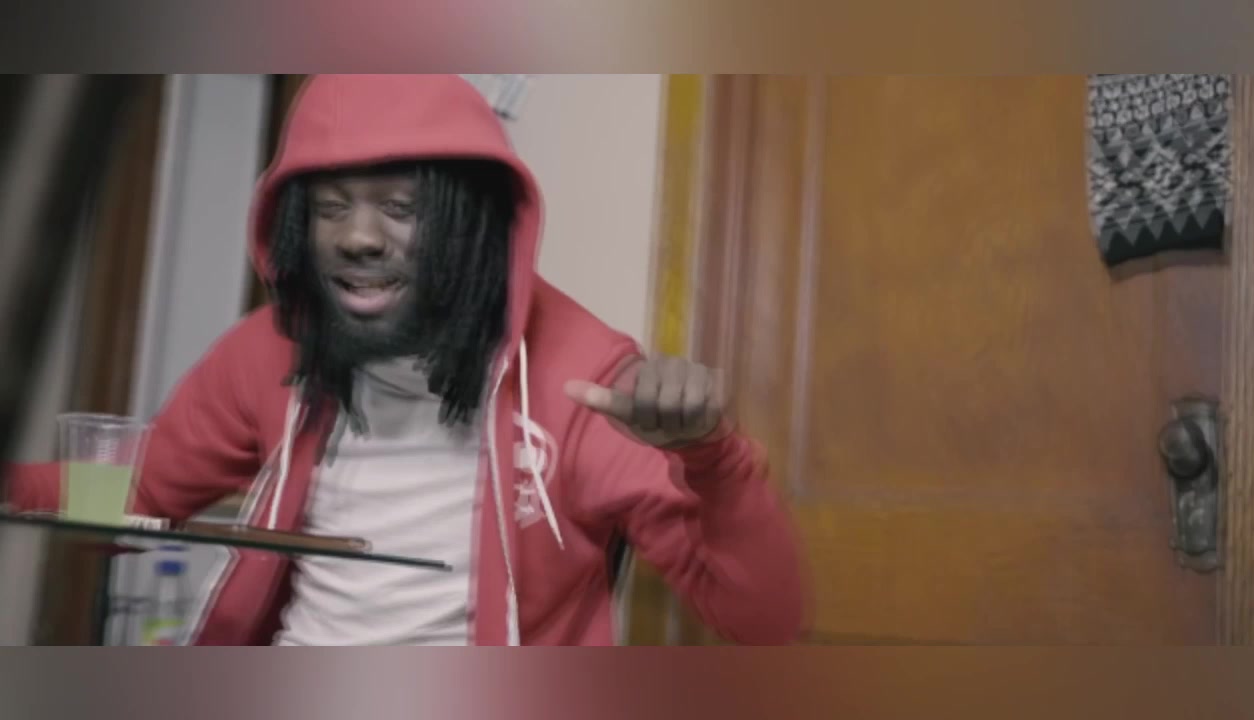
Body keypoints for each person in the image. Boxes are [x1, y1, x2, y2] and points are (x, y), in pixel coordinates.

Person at [4, 74, 809, 646]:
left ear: (469, 223)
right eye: (331, 209)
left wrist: (714, 458)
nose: (358, 237)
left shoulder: (587, 381)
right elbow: (136, 495)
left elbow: (763, 621)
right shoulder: (272, 346)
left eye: (399, 207)